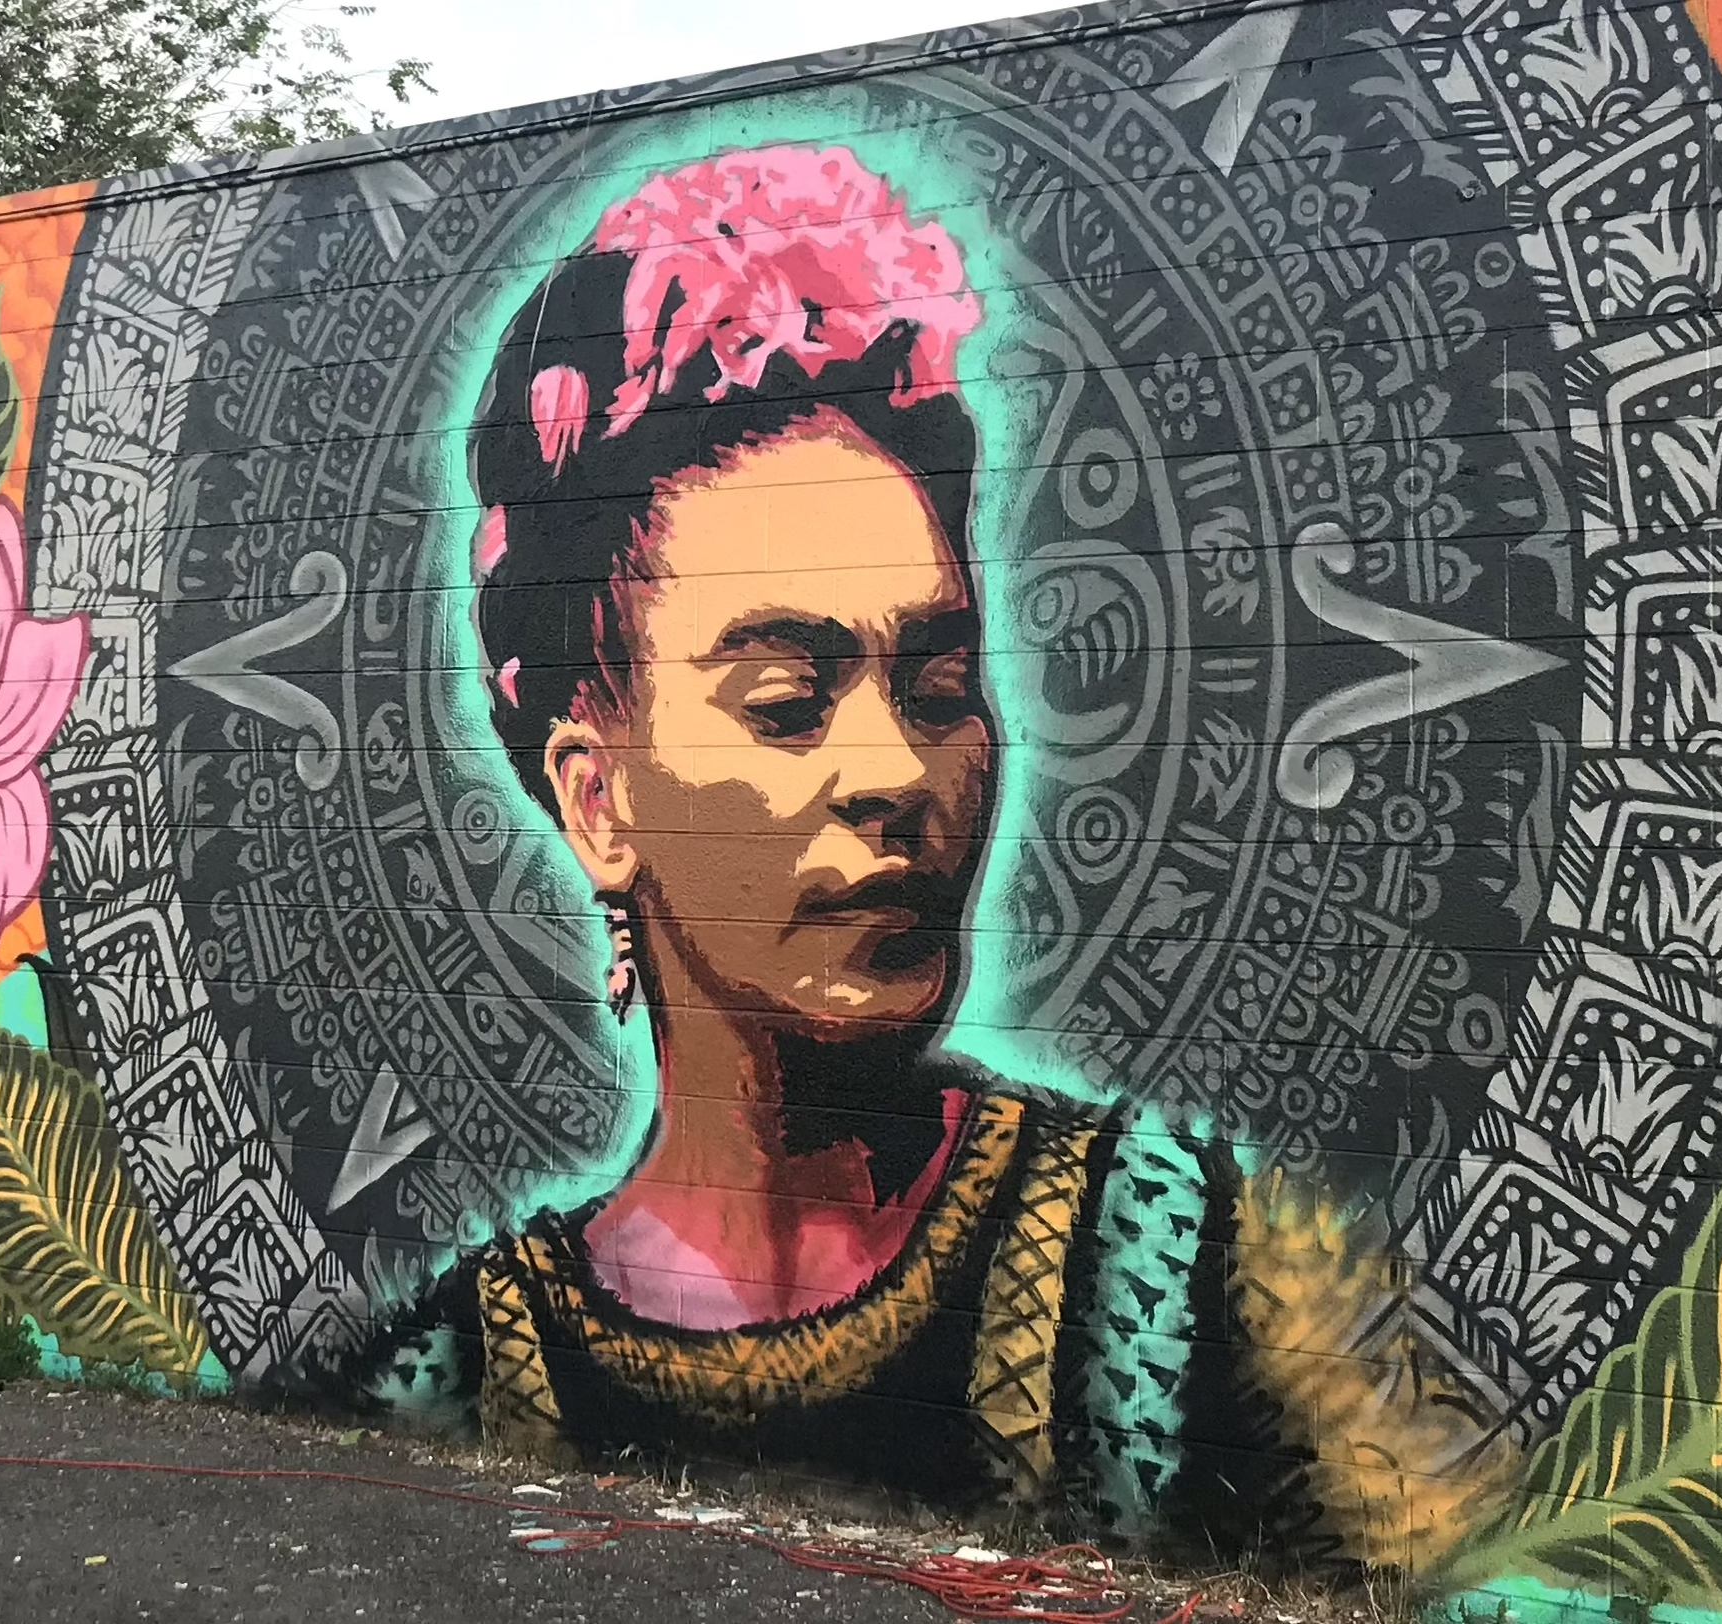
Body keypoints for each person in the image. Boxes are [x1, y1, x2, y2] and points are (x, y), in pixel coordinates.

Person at [357, 147, 1234, 1530]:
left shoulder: (1176, 1258)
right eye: (784, 702)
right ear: (599, 802)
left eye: (940, 686)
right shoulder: (445, 1372)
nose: (896, 770)